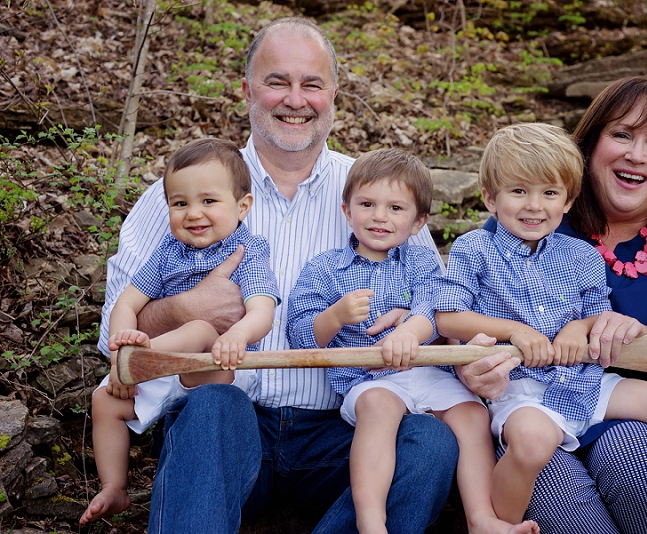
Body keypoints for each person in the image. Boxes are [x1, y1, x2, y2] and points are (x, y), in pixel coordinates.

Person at [98, 17, 459, 534]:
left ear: (334, 93)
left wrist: (423, 322)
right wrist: (183, 309)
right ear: (246, 90)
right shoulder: (183, 196)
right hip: (225, 423)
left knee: (430, 442)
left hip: (348, 428)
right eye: (277, 82)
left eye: (312, 84)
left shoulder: (380, 195)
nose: (296, 99)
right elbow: (114, 339)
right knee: (214, 406)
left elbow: (440, 310)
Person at [435, 122, 647, 534]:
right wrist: (514, 331)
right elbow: (449, 318)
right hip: (522, 392)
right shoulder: (476, 248)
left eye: (549, 193)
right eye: (519, 191)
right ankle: (495, 525)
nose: (534, 206)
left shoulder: (581, 255)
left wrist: (580, 327)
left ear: (568, 201)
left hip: (584, 383)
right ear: (490, 197)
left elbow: (597, 313)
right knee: (532, 442)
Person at [287, 148, 539, 534]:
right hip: (370, 380)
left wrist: (407, 332)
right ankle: (371, 520)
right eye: (367, 204)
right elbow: (300, 333)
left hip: (429, 373)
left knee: (472, 416)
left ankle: (482, 519)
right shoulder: (324, 269)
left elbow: (433, 309)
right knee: (378, 408)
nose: (379, 217)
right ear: (346, 209)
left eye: (396, 208)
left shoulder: (421, 263)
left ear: (420, 221)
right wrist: (334, 316)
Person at [81, 138, 278, 525]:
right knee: (105, 400)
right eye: (180, 203)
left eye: (209, 201)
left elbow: (263, 309)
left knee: (202, 327)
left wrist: (237, 334)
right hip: (167, 369)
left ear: (243, 206)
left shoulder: (248, 250)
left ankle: (143, 357)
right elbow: (127, 303)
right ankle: (114, 487)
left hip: (218, 368)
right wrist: (121, 352)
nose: (193, 213)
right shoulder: (168, 251)